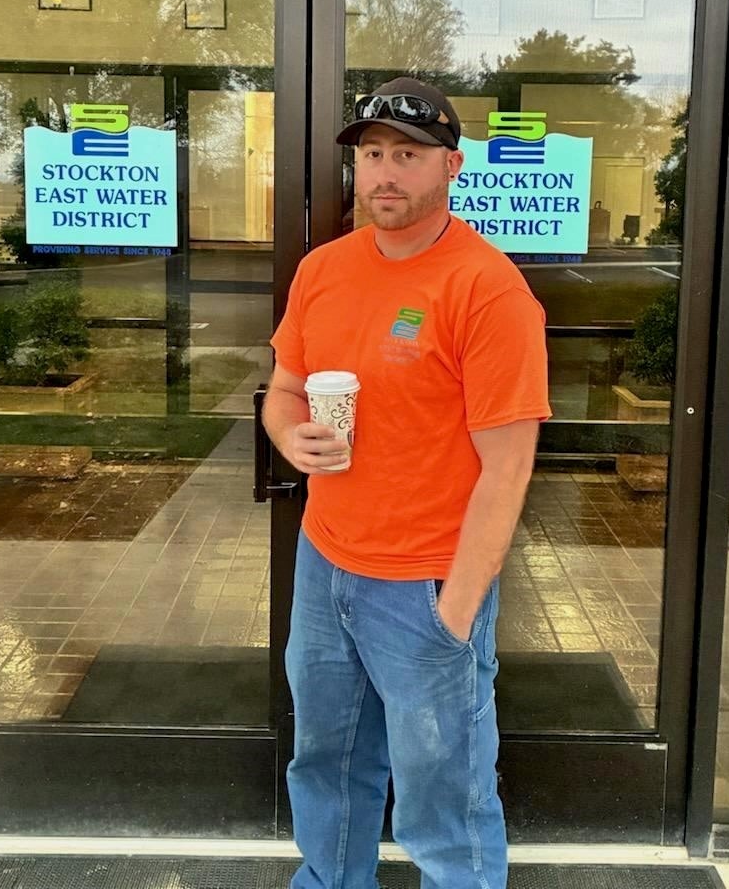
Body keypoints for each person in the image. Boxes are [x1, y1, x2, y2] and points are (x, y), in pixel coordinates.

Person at [263, 77, 550, 889]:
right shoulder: (324, 271)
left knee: (444, 799)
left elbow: (508, 467)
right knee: (325, 761)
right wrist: (293, 438)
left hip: (425, 583)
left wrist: (455, 611)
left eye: (409, 155)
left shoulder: (485, 289)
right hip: (327, 566)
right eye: (374, 155)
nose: (386, 174)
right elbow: (284, 390)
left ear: (451, 165)